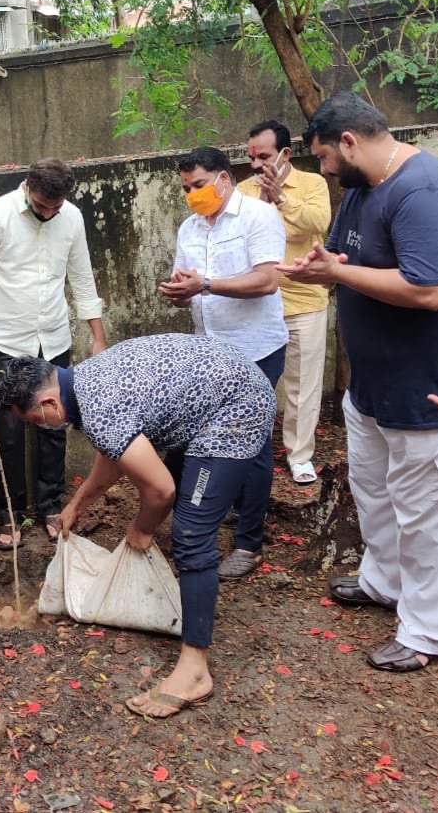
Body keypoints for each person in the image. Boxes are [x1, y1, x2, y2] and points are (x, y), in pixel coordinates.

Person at [280, 91, 438, 672]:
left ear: (349, 142)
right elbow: (346, 262)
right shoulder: (362, 189)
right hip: (374, 388)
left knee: (433, 517)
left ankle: (427, 630)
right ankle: (385, 582)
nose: (324, 169)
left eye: (325, 157)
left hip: (434, 391)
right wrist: (321, 271)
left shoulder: (424, 192)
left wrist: (339, 274)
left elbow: (430, 290)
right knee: (377, 496)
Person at [0, 334, 276, 718]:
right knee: (187, 516)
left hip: (235, 406)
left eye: (33, 422)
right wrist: (77, 504)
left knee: (191, 533)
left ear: (47, 403)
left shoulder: (98, 408)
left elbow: (161, 490)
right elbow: (114, 453)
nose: (39, 428)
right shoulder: (84, 380)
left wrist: (143, 528)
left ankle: (194, 671)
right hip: (226, 383)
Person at [0, 158, 106, 549]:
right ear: (27, 186)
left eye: (56, 207)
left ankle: (51, 504)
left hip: (53, 339)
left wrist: (98, 337)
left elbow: (82, 277)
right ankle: (11, 511)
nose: (48, 214)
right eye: (41, 206)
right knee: (9, 433)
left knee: (54, 426)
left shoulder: (71, 218)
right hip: (6, 342)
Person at [158, 147, 287, 579]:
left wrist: (207, 284)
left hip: (255, 348)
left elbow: (267, 280)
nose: (192, 194)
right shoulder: (190, 228)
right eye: (185, 188)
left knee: (253, 446)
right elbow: (189, 285)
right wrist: (180, 293)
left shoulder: (258, 217)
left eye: (198, 185)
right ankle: (220, 511)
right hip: (209, 352)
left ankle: (249, 543)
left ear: (223, 179)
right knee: (200, 437)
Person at [239, 120, 332, 484]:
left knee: (303, 384)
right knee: (254, 383)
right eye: (252, 158)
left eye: (263, 157)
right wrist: (263, 203)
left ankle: (300, 454)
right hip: (257, 304)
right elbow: (241, 237)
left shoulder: (313, 184)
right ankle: (250, 451)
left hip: (304, 301)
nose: (256, 165)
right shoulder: (243, 191)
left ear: (285, 154)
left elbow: (316, 223)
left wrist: (281, 198)